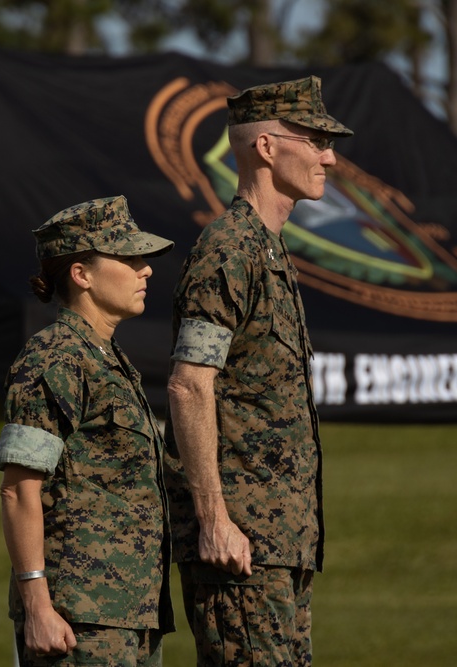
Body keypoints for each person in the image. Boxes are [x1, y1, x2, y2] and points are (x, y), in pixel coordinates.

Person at [164, 76, 353, 666]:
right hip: (240, 549)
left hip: (280, 547)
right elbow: (189, 383)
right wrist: (215, 520)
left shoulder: (268, 250)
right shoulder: (229, 251)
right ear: (267, 148)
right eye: (315, 140)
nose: (330, 156)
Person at [0, 195, 175, 667]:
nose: (146, 270)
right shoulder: (55, 357)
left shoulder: (105, 358)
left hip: (129, 613)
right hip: (79, 621)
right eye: (130, 258)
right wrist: (37, 606)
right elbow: (18, 490)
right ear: (82, 274)